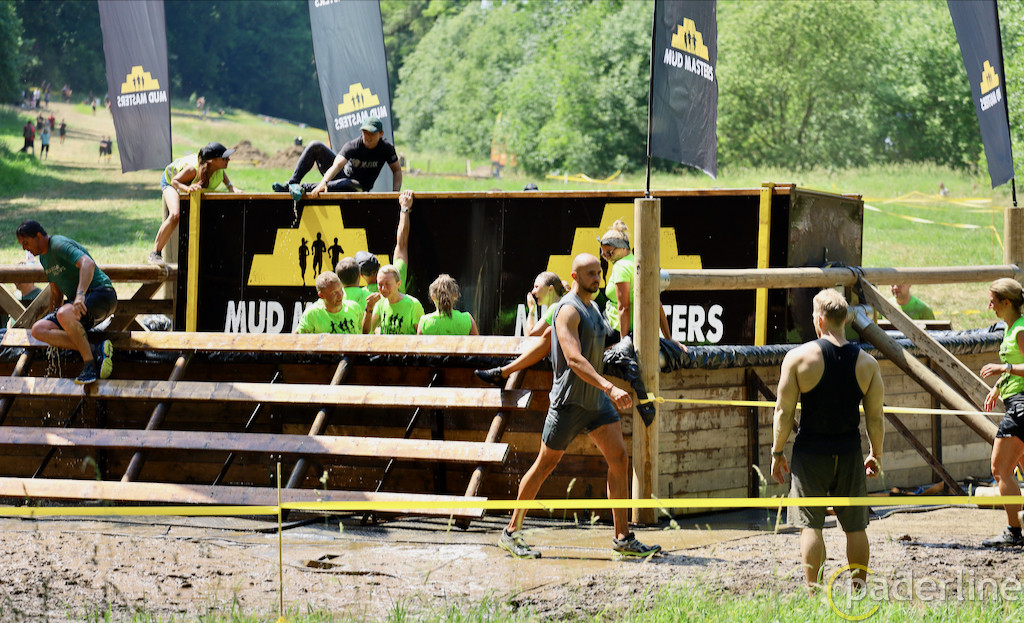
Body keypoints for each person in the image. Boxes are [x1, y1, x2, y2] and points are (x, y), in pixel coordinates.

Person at [498, 253, 661, 560]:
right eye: (590, 274)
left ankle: (623, 538)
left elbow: (603, 342)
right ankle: (510, 532)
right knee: (545, 465)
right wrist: (610, 387)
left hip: (596, 403)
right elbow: (574, 359)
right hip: (569, 403)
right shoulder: (567, 311)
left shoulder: (594, 308)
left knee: (619, 459)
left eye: (599, 273)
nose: (597, 279)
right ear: (574, 277)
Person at [771, 289, 884, 588]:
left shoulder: (798, 358)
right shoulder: (868, 364)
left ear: (819, 320)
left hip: (811, 453)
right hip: (848, 452)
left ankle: (815, 595)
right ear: (844, 320)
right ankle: (859, 592)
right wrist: (876, 454)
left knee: (810, 525)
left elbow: (783, 412)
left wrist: (776, 452)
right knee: (856, 528)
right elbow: (875, 418)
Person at [14, 221, 116, 385]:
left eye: (26, 242)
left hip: (101, 294)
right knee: (38, 329)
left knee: (64, 313)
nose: (24, 248)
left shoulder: (58, 244)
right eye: (22, 244)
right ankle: (95, 349)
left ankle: (90, 365)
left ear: (38, 236)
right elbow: (56, 292)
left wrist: (80, 295)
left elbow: (87, 263)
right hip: (80, 306)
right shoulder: (44, 259)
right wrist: (52, 320)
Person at [978, 278, 1024, 547]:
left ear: (1006, 302)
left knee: (1000, 469)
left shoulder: (1020, 330)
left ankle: (1013, 532)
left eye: (993, 301)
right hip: (1015, 402)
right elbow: (1014, 365)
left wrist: (1002, 369)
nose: (990, 306)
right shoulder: (1010, 328)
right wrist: (998, 387)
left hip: (1021, 407)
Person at [148, 142, 242, 264]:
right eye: (224, 158)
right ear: (212, 160)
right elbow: (175, 181)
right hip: (171, 182)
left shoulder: (218, 168)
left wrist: (230, 187)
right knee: (175, 215)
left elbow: (222, 174)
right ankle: (155, 253)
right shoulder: (192, 170)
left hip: (187, 182)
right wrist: (187, 188)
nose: (228, 159)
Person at [474, 271, 566, 386]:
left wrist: (532, 310)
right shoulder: (559, 306)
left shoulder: (555, 307)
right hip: (554, 363)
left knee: (500, 361)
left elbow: (530, 335)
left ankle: (501, 374)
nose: (533, 292)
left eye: (537, 287)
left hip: (552, 364)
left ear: (550, 289)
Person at [599, 221, 681, 347]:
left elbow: (624, 307)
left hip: (615, 328)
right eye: (604, 255)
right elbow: (656, 303)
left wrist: (623, 342)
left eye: (610, 253)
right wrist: (668, 338)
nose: (607, 258)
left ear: (623, 248)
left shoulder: (621, 267)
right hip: (636, 329)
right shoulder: (640, 264)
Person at [271, 117, 402, 195]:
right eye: (364, 133)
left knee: (347, 184)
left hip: (359, 187)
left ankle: (303, 189)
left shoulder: (386, 148)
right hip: (341, 177)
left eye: (371, 133)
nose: (367, 137)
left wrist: (395, 193)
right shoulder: (353, 145)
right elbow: (337, 166)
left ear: (381, 134)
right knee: (315, 145)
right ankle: (292, 184)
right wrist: (324, 183)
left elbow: (397, 170)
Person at [358, 189, 414, 299]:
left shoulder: (359, 297)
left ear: (360, 275)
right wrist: (404, 208)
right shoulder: (395, 281)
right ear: (379, 265)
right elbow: (402, 243)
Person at [295, 272, 364, 335]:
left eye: (341, 289)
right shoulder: (312, 314)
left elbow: (364, 334)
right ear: (321, 295)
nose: (340, 295)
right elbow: (296, 339)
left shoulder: (355, 307)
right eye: (334, 292)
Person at [362, 264, 423, 335]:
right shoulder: (380, 302)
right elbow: (366, 332)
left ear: (399, 284)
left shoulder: (413, 304)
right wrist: (369, 309)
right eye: (380, 284)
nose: (383, 288)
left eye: (387, 284)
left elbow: (421, 336)